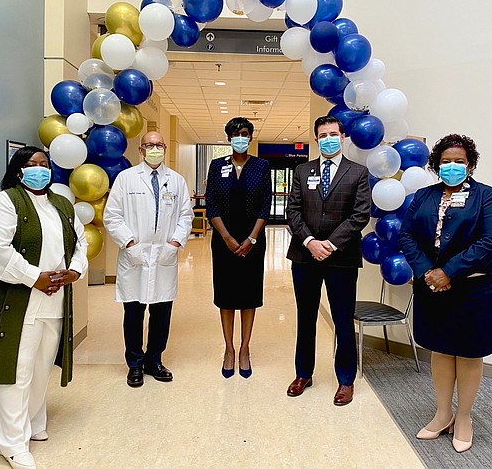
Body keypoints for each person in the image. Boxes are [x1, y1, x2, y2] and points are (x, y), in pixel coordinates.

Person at [0, 146, 88, 469]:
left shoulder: (62, 205)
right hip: (17, 302)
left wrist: (75, 270)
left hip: (54, 301)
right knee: (13, 371)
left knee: (40, 367)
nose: (39, 169)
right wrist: (34, 277)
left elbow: (80, 243)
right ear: (18, 170)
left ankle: (32, 423)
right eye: (31, 164)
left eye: (44, 164)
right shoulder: (6, 201)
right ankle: (11, 444)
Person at [399, 134, 492, 453]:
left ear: (470, 164)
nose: (452, 166)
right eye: (446, 161)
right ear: (435, 165)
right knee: (441, 349)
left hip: (474, 289)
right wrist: (426, 272)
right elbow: (407, 235)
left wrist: (450, 271)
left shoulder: (487, 197)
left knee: (470, 352)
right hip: (432, 286)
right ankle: (443, 413)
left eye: (459, 161)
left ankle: (463, 417)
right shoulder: (423, 196)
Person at [285, 115, 370, 406]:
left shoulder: (358, 173)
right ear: (317, 139)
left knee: (342, 319)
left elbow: (360, 216)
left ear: (342, 137)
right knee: (305, 317)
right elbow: (292, 210)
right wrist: (310, 242)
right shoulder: (301, 170)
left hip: (341, 258)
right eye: (323, 135)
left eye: (333, 133)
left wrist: (330, 244)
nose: (329, 138)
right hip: (305, 255)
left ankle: (346, 379)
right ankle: (303, 373)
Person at [103, 131, 193, 388]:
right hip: (135, 255)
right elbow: (112, 216)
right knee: (133, 312)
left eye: (159, 145)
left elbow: (186, 216)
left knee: (161, 312)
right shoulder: (126, 178)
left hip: (164, 255)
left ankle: (154, 360)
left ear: (165, 148)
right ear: (141, 150)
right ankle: (134, 364)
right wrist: (129, 243)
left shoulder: (176, 181)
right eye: (149, 145)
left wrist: (174, 242)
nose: (155, 148)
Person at [205, 117, 272, 378]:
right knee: (226, 296)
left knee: (248, 295)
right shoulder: (216, 165)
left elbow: (265, 204)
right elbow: (212, 205)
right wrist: (226, 238)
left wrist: (251, 239)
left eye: (244, 133)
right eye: (235, 134)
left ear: (251, 137)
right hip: (223, 243)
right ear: (228, 139)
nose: (240, 137)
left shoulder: (261, 166)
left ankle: (245, 348)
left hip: (253, 243)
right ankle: (229, 349)